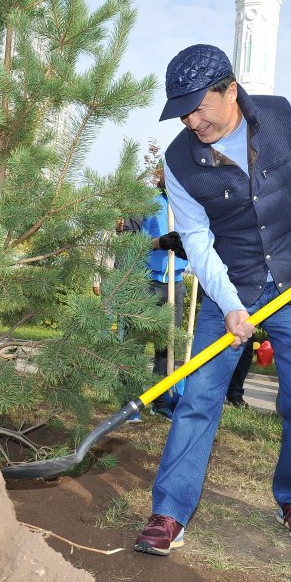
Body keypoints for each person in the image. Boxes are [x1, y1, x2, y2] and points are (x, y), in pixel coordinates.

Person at [132, 44, 291, 555]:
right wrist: (229, 305)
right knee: (199, 400)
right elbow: (198, 242)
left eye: (199, 106)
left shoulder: (282, 116)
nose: (191, 120)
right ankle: (169, 512)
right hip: (230, 287)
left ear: (230, 90)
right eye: (181, 110)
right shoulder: (179, 162)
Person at [117, 166, 189, 420]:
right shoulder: (146, 202)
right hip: (146, 281)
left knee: (166, 346)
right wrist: (160, 243)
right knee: (134, 344)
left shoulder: (189, 203)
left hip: (175, 284)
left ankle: (161, 400)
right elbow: (127, 239)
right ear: (159, 174)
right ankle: (131, 402)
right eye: (166, 172)